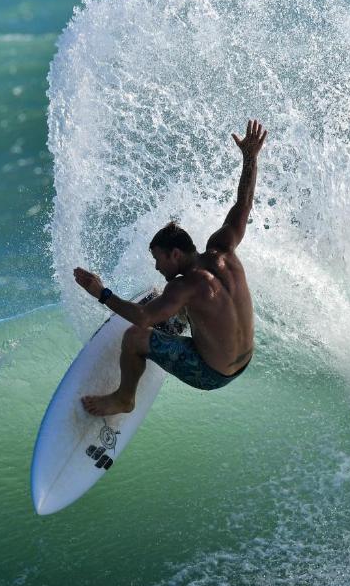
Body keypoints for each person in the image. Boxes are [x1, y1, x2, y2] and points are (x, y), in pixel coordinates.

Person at [73, 119, 266, 416]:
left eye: (158, 258)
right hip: (244, 360)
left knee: (134, 337)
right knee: (174, 302)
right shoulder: (222, 248)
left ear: (175, 254)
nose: (156, 265)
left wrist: (101, 292)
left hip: (214, 374)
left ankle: (124, 398)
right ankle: (175, 321)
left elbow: (140, 317)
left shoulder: (184, 286)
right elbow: (244, 203)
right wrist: (250, 158)